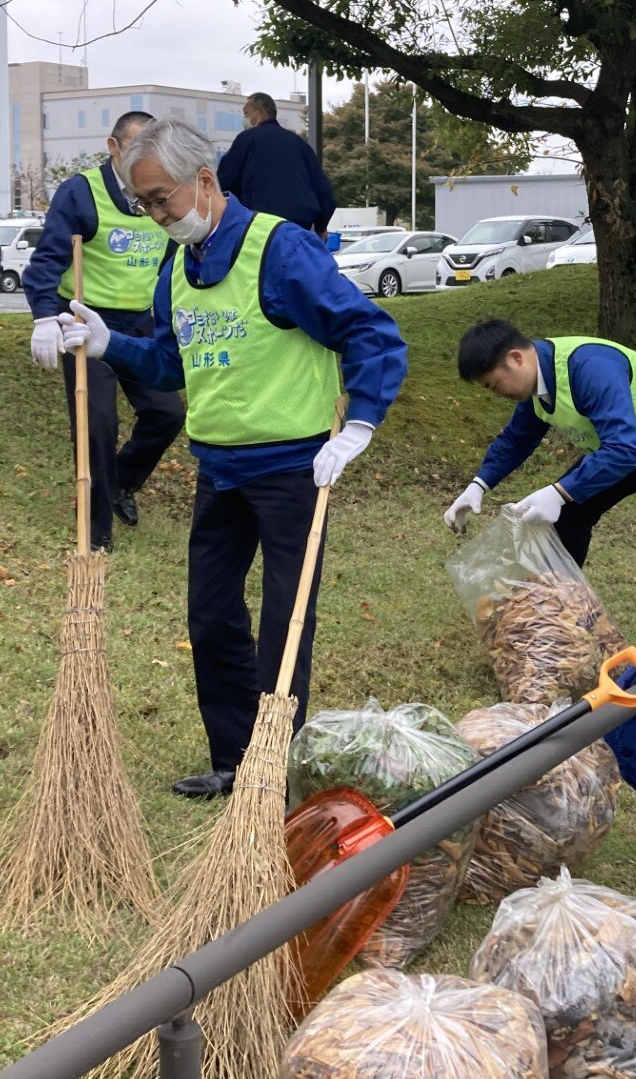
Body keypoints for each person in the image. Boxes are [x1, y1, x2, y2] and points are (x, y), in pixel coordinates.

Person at [60, 115, 406, 799]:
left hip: (293, 470)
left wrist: (360, 423)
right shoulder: (179, 269)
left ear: (206, 179)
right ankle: (232, 757)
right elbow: (169, 365)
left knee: (286, 623)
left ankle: (274, 770)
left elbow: (370, 330)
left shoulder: (279, 251)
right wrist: (109, 344)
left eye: (163, 198)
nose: (157, 215)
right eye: (144, 204)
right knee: (211, 615)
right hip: (219, 469)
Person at [445, 321, 636, 647]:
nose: (499, 394)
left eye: (495, 385)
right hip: (630, 448)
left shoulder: (588, 367)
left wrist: (560, 491)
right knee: (567, 518)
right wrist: (479, 485)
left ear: (516, 359)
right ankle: (555, 617)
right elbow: (517, 439)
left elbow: (622, 449)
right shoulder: (536, 383)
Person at [25, 110, 186, 550]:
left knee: (167, 413)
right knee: (97, 423)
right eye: (136, 149)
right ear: (113, 147)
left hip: (139, 323)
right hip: (84, 319)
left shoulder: (160, 193)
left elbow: (175, 259)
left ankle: (120, 484)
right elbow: (45, 263)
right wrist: (43, 318)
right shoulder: (81, 193)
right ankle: (96, 529)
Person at [216, 91, 336, 234]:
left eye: (247, 114)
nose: (244, 119)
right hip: (299, 229)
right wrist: (321, 227)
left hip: (259, 229)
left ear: (260, 112)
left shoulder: (247, 140)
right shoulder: (300, 144)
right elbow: (324, 192)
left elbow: (224, 182)